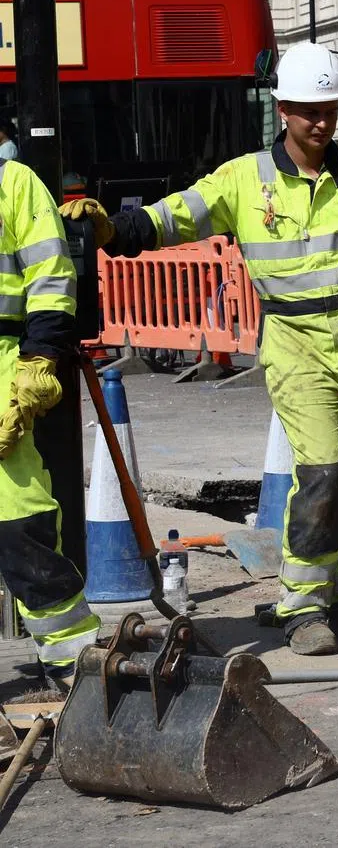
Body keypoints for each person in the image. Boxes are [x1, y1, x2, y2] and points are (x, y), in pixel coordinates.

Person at [63, 42, 338, 657]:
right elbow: (169, 219)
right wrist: (111, 229)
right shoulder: (244, 180)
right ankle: (303, 605)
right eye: (309, 110)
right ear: (283, 108)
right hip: (297, 345)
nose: (321, 122)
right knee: (319, 473)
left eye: (330, 109)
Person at [0, 159, 99, 689]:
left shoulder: (11, 181)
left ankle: (74, 657)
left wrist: (39, 358)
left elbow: (51, 276)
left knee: (17, 515)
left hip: (2, 355)